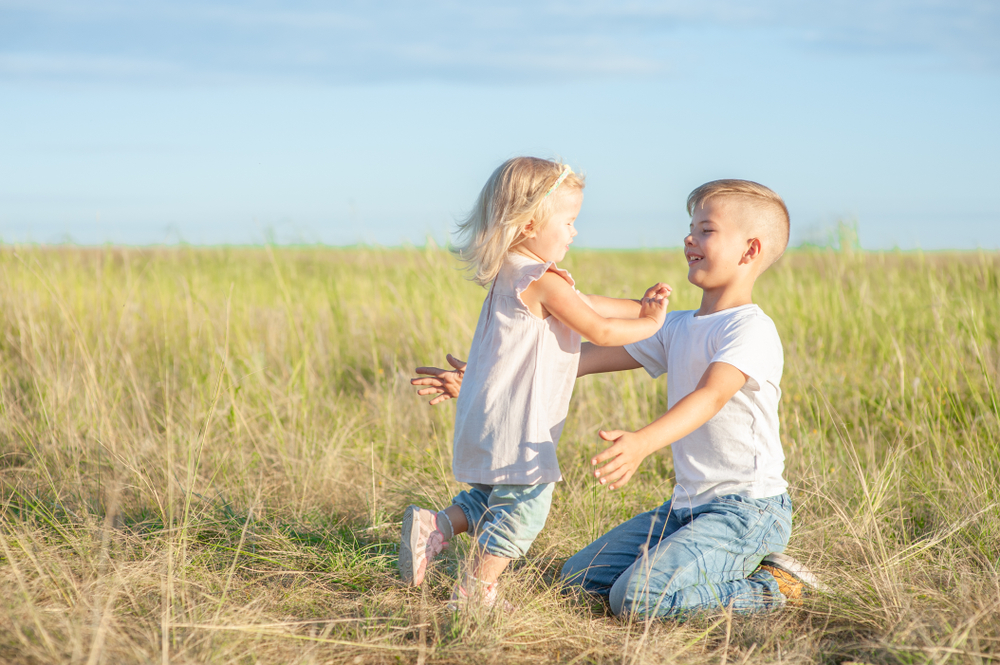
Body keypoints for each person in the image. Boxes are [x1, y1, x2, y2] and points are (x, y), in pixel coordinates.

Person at [412, 179, 826, 619]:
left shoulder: (750, 329)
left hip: (747, 511)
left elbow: (710, 396)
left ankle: (773, 587)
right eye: (691, 227)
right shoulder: (677, 327)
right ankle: (698, 564)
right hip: (683, 509)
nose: (690, 237)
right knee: (576, 580)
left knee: (637, 599)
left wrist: (643, 442)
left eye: (706, 229)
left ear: (750, 251)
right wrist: (481, 379)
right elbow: (571, 362)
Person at [399, 156, 672, 611]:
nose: (574, 231)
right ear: (528, 224)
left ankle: (438, 525)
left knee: (492, 493)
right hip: (519, 419)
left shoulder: (511, 272)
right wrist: (651, 323)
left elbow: (584, 305)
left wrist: (635, 305)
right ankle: (476, 590)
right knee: (525, 503)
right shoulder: (542, 279)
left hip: (492, 406)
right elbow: (600, 330)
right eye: (568, 221)